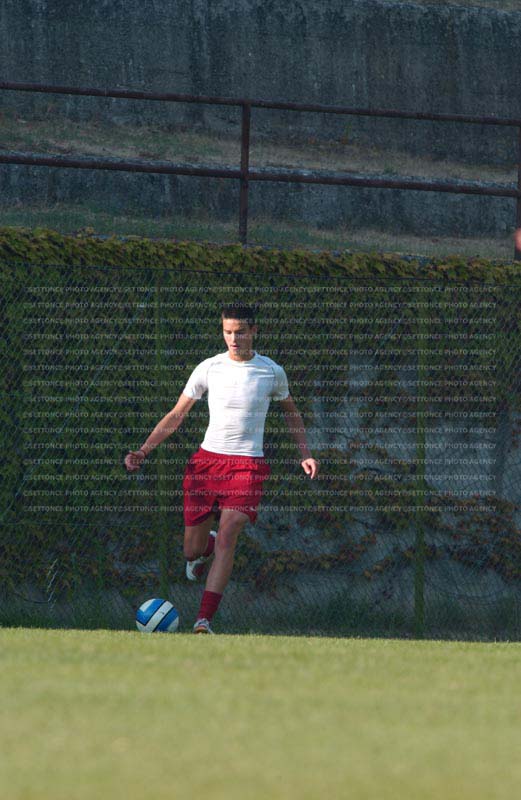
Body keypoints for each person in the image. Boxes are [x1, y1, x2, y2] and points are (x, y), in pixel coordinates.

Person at [124, 303, 318, 634]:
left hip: (247, 466)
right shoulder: (209, 368)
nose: (233, 339)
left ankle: (203, 620)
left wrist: (305, 453)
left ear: (254, 331)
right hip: (206, 466)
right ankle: (205, 548)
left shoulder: (271, 372)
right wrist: (144, 450)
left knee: (229, 533)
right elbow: (177, 414)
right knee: (191, 550)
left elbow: (291, 412)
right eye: (227, 332)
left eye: (240, 332)